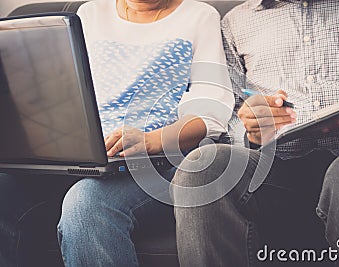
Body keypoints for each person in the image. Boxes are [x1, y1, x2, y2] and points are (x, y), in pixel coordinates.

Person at [0, 0, 234, 266]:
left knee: (86, 203)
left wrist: (150, 141)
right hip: (88, 156)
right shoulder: (90, 14)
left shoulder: (199, 16)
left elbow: (211, 115)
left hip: (158, 163)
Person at [172, 0, 339, 266]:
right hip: (274, 169)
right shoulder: (235, 23)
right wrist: (251, 132)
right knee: (203, 166)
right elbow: (230, 114)